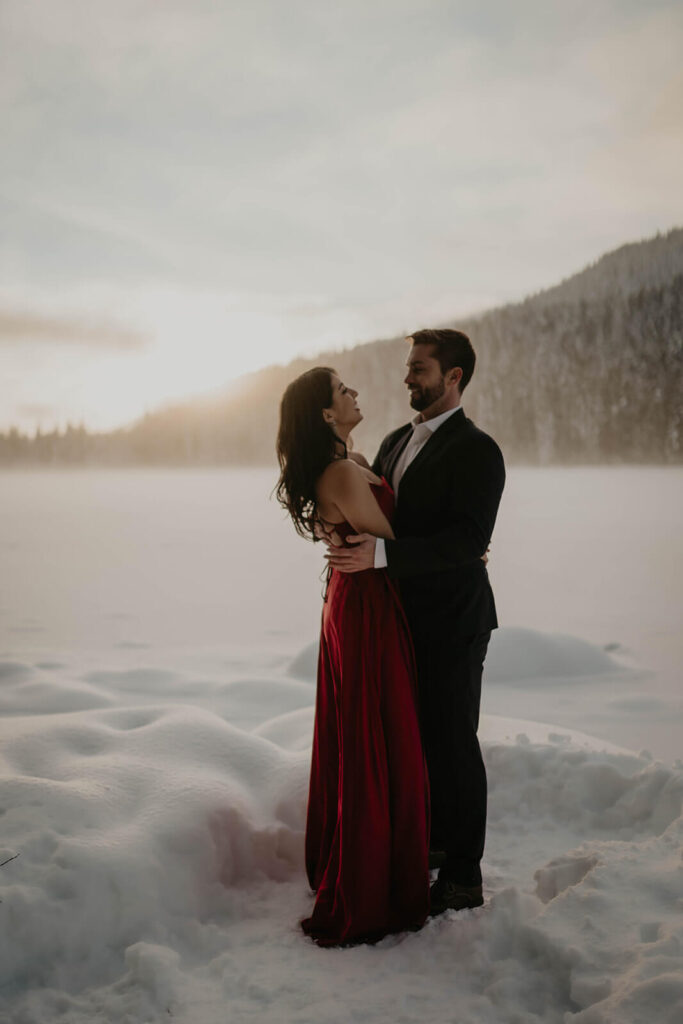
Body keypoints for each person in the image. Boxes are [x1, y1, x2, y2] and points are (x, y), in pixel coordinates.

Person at [325, 329, 505, 915]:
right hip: (398, 618)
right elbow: (375, 508)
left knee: (453, 740)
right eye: (408, 367)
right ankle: (427, 840)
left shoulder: (478, 449)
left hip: (455, 619)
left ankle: (463, 874)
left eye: (420, 368)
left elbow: (468, 539)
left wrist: (382, 557)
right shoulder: (396, 439)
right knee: (413, 735)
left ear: (453, 377)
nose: (408, 377)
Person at [276, 366, 430, 946]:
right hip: (364, 606)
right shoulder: (342, 471)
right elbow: (398, 531)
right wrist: (461, 551)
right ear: (324, 414)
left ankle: (373, 860)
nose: (356, 393)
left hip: (360, 600)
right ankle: (370, 883)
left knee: (371, 731)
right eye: (344, 391)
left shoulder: (352, 460)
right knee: (374, 733)